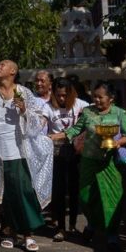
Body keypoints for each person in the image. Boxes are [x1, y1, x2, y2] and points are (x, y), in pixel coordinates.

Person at [0, 57, 53, 252]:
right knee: (5, 193)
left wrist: (24, 110)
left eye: (3, 65)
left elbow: (36, 121)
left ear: (13, 72)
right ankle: (10, 232)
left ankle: (28, 234)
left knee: (23, 190)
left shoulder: (24, 92)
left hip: (19, 149)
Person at [49, 81, 126, 251]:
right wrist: (57, 136)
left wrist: (118, 143)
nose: (96, 100)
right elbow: (76, 129)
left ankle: (112, 235)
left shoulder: (119, 113)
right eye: (94, 96)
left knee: (112, 199)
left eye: (100, 97)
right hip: (88, 160)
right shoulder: (88, 112)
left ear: (111, 98)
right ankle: (92, 224)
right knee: (86, 198)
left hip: (109, 163)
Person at [42, 77, 88, 242]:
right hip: (55, 153)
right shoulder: (47, 107)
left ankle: (73, 225)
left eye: (65, 95)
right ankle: (60, 227)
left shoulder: (80, 105)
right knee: (59, 191)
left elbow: (91, 118)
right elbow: (41, 122)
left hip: (76, 152)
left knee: (75, 190)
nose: (62, 99)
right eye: (58, 95)